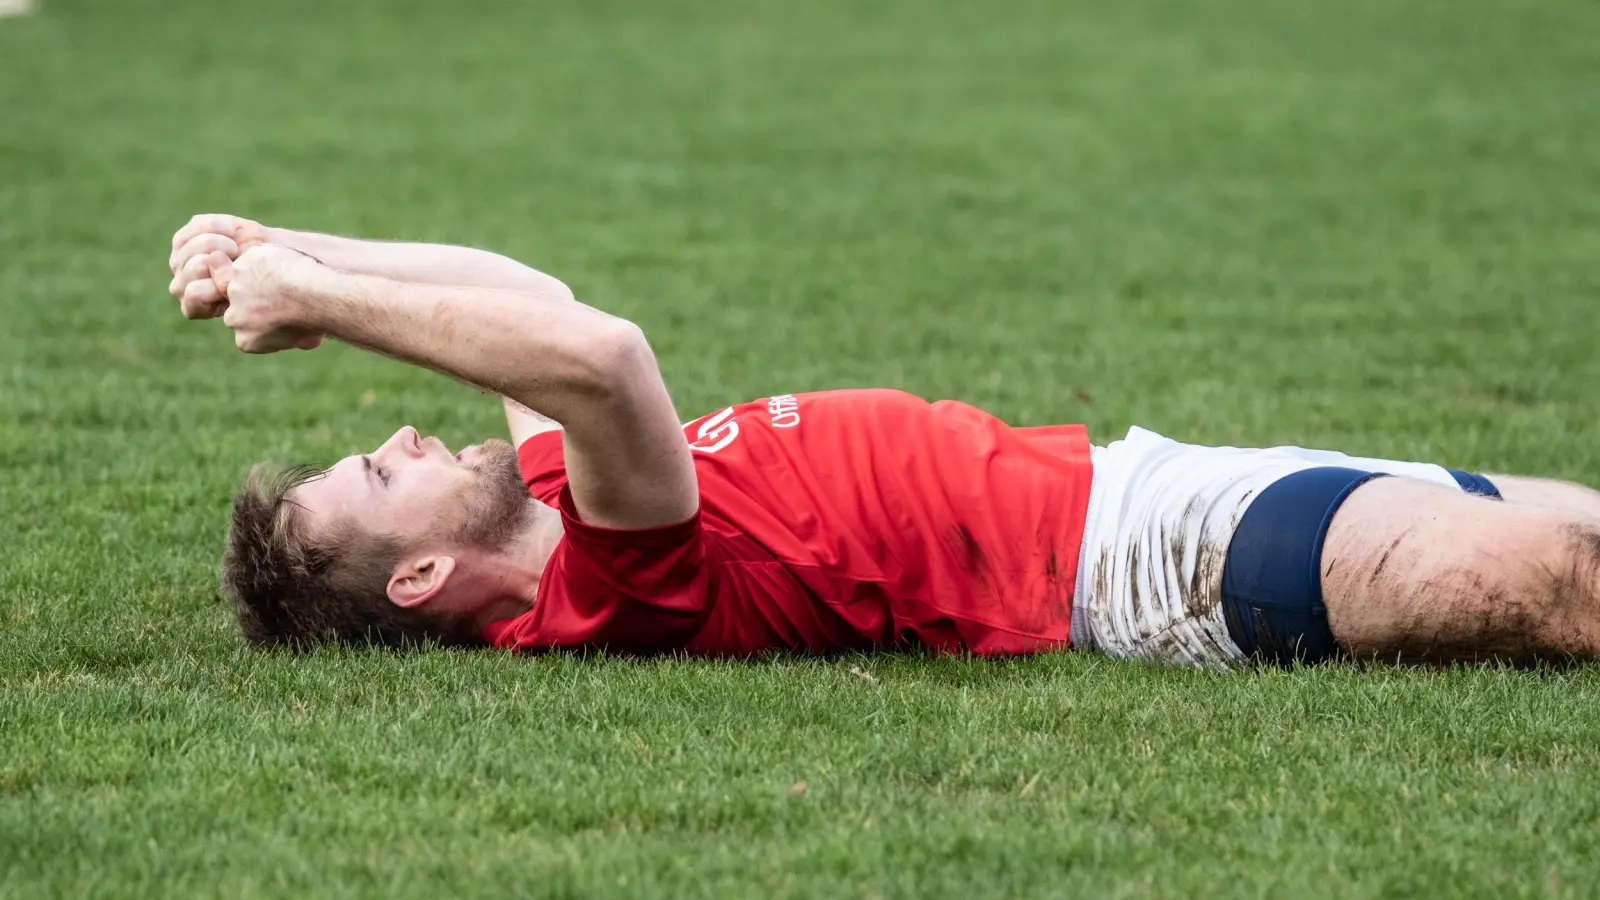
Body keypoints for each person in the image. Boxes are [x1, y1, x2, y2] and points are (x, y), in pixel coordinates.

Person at [167, 214, 1600, 669]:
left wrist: (283, 250)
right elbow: (602, 356)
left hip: (1140, 474)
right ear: (418, 582)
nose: (407, 435)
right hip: (1140, 566)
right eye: (379, 473)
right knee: (1558, 582)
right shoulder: (602, 592)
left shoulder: (541, 490)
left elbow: (525, 299)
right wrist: (334, 309)